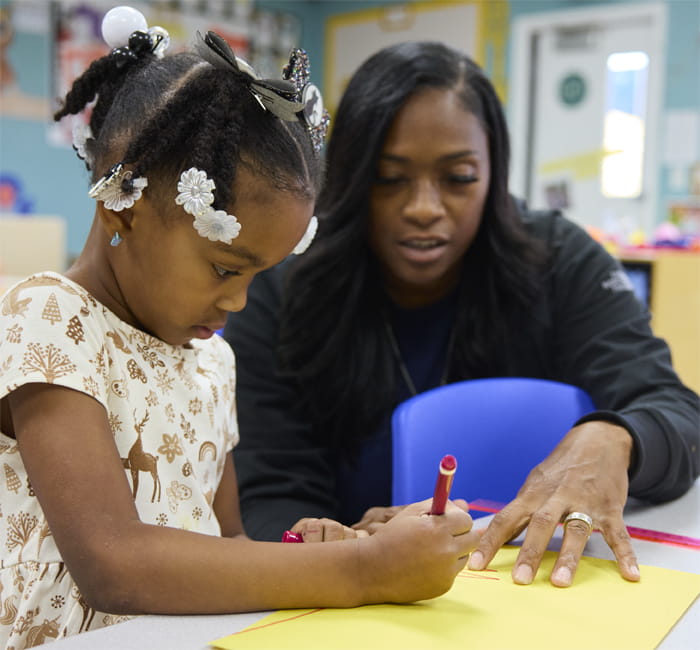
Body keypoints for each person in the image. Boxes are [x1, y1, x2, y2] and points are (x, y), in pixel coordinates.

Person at [0, 14, 478, 647]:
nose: (241, 301)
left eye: (260, 275)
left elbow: (223, 547)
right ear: (125, 207)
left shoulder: (210, 362)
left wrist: (323, 545)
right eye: (226, 267)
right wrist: (360, 571)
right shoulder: (50, 320)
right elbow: (113, 564)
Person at [224, 41, 700, 589]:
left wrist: (615, 438)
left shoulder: (560, 260)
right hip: (356, 595)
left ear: (494, 172)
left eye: (459, 178)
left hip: (538, 593)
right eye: (389, 177)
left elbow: (674, 413)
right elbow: (270, 495)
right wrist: (346, 548)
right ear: (349, 175)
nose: (425, 207)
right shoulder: (284, 285)